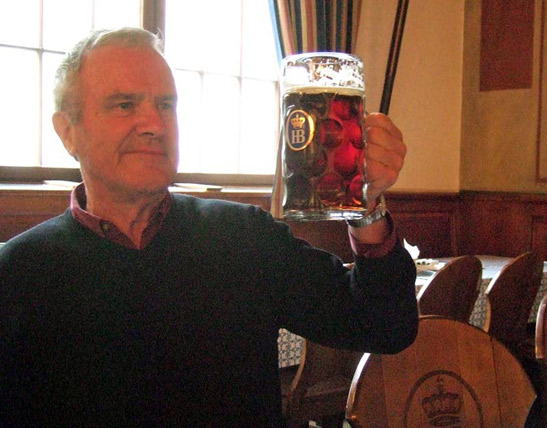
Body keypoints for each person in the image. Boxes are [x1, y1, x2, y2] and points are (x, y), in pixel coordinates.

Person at [0, 27, 418, 427]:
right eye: (124, 104)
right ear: (67, 132)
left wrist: (365, 207)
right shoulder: (17, 273)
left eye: (165, 105)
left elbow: (384, 325)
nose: (154, 123)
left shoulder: (243, 238)